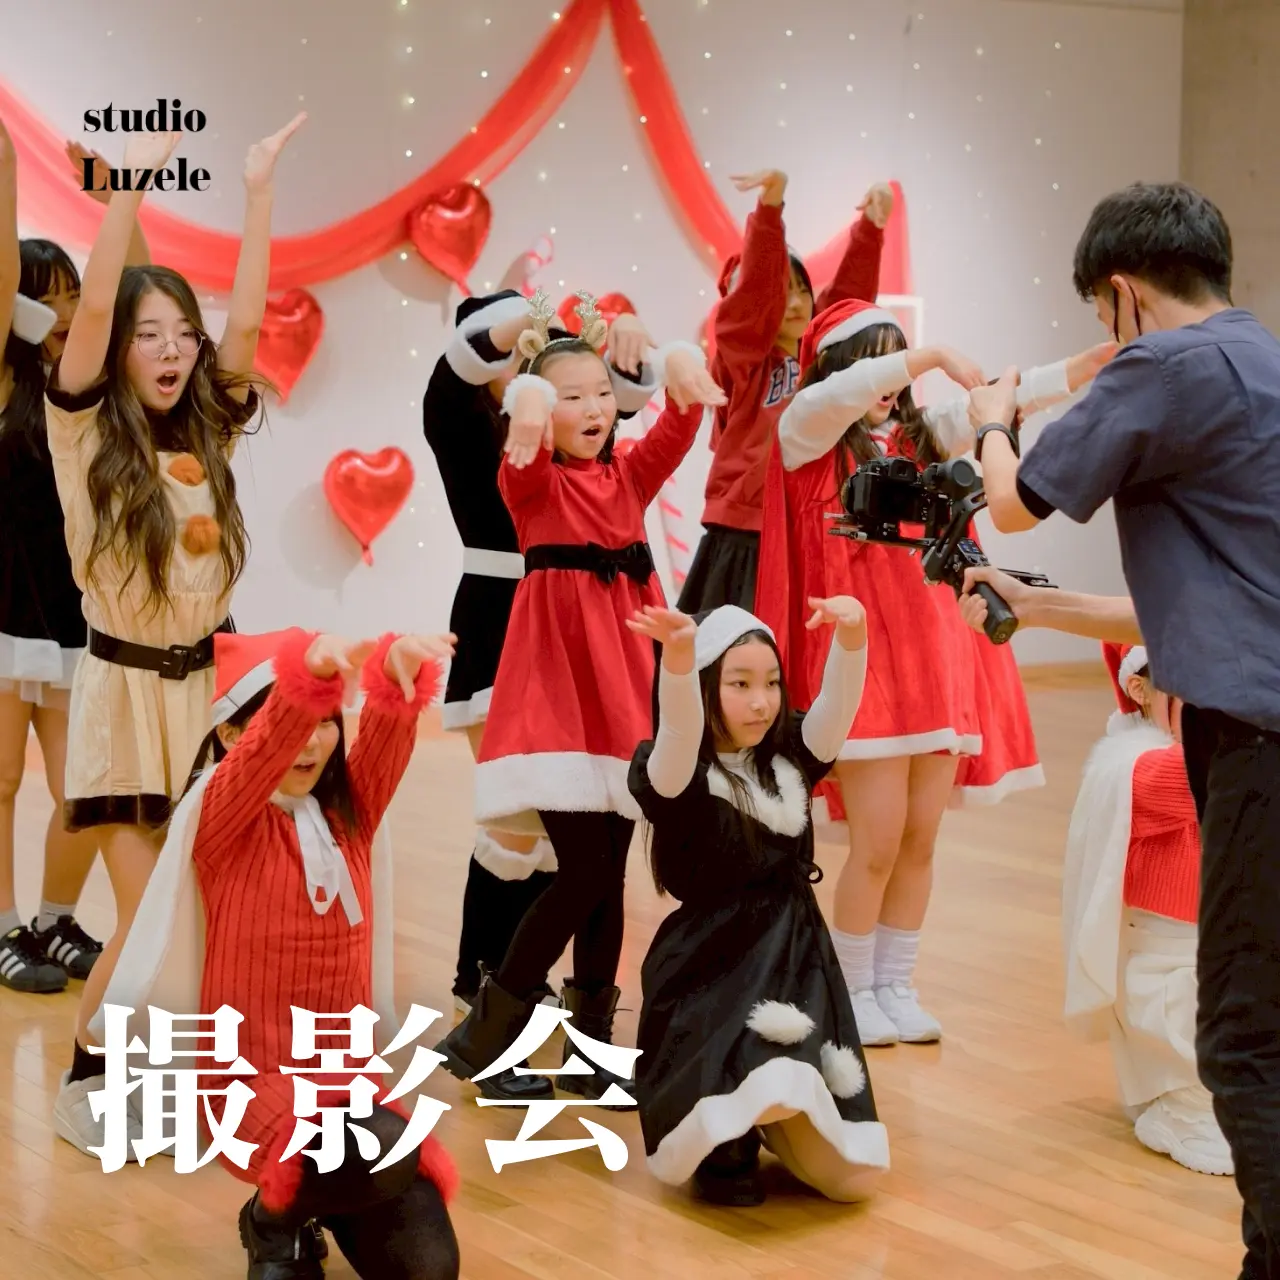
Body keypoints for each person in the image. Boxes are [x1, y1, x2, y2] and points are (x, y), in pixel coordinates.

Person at [967, 180, 1280, 1275]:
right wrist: (1039, 607)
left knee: (1239, 1037)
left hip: (1255, 736)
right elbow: (1213, 591)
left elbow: (1013, 502)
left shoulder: (1163, 365)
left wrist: (992, 419)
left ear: (1120, 292)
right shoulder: (1261, 358)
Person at [46, 117, 304, 1149]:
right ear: (118, 347)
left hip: (203, 697)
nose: (169, 349)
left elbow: (249, 324)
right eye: (148, 334)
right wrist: (125, 198)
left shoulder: (205, 430)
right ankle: (87, 1073)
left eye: (181, 334)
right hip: (120, 699)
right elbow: (94, 300)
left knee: (199, 907)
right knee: (148, 909)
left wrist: (258, 193)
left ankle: (170, 1075)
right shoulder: (81, 429)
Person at [757, 297, 1108, 1048]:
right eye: (874, 359)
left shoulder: (918, 437)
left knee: (920, 841)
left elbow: (1001, 404)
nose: (890, 381)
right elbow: (835, 394)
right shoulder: (807, 431)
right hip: (863, 669)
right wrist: (930, 355)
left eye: (896, 359)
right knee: (877, 842)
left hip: (935, 663)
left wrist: (1079, 370)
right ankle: (851, 991)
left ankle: (895, 984)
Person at [90, 627, 460, 1279]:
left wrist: (396, 681)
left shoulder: (352, 814)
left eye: (326, 722)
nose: (311, 741)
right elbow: (267, 749)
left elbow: (383, 742)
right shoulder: (220, 820)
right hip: (252, 1084)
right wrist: (306, 682)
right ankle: (272, 1221)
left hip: (349, 1082)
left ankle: (320, 1200)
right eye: (295, 723)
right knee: (368, 1144)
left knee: (429, 1266)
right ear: (231, 734)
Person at [434, 291, 725, 1103]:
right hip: (558, 695)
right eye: (572, 397)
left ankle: (592, 1051)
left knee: (611, 873)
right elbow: (521, 453)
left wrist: (675, 362)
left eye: (602, 393)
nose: (594, 409)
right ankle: (489, 1029)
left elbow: (676, 426)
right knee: (585, 869)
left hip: (624, 688)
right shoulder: (528, 483)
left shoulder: (627, 475)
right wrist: (528, 395)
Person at [423, 279, 660, 1015]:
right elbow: (469, 360)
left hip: (587, 639)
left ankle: (532, 992)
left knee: (578, 844)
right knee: (518, 834)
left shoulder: (576, 430)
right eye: (519, 351)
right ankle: (483, 985)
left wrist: (628, 330)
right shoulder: (458, 418)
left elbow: (630, 395)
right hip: (502, 628)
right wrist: (527, 336)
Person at [627, 599, 888, 1207]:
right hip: (711, 962)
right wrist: (679, 659)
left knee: (846, 1169)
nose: (761, 702)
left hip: (795, 952)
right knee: (743, 1061)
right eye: (739, 684)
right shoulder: (677, 775)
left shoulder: (786, 759)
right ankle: (728, 1142)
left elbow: (836, 710)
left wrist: (853, 637)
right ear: (706, 688)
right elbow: (680, 730)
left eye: (771, 683)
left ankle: (772, 1123)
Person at [0, 120, 155, 992]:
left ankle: (55, 919)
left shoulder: (88, 384)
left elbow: (133, 292)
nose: (65, 313)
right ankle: (1, 926)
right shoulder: (4, 378)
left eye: (71, 295)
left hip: (72, 612)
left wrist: (118, 199)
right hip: (2, 608)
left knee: (81, 791)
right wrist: (8, 167)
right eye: (46, 298)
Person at [677, 171, 891, 613]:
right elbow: (750, 304)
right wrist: (770, 210)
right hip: (746, 533)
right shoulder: (742, 363)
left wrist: (871, 229)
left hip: (808, 529)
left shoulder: (822, 359)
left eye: (802, 290)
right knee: (735, 648)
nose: (794, 303)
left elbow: (846, 304)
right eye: (780, 292)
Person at [1064, 642, 1231, 1176]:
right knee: (1183, 1017)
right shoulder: (1138, 765)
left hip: (1219, 932)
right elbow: (1212, 773)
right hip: (1166, 947)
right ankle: (1176, 1107)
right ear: (1139, 688)